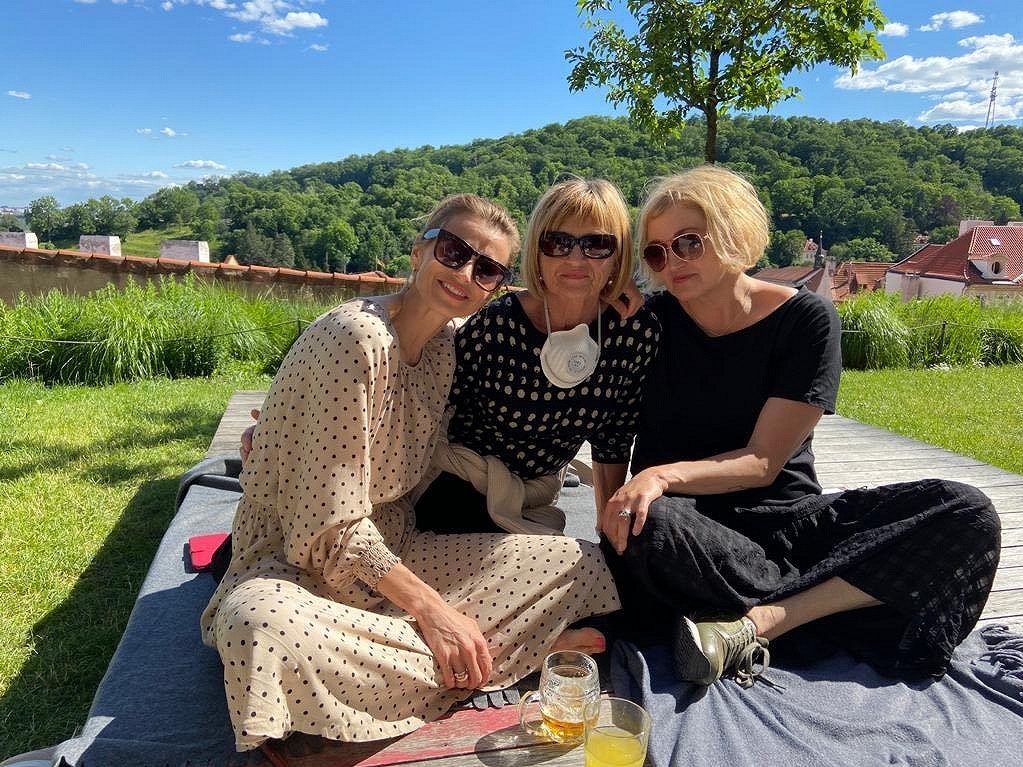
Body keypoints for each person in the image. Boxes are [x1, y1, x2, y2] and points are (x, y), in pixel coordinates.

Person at [201, 193, 620, 754]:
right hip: (299, 568)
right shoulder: (354, 336)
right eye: (454, 251)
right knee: (257, 624)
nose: (465, 273)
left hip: (397, 548)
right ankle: (503, 655)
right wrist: (434, 610)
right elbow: (328, 533)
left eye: (487, 269)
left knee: (578, 563)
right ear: (420, 251)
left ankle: (422, 661)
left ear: (494, 287)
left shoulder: (444, 347)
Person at [599, 165, 1000, 688]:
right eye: (656, 253)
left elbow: (763, 463)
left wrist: (659, 474)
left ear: (735, 233)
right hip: (689, 531)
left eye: (688, 242)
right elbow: (599, 414)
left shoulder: (805, 319)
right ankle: (824, 606)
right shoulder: (646, 324)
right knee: (646, 524)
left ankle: (762, 623)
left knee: (967, 511)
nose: (672, 261)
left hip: (788, 524)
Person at [412, 177, 660, 536]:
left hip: (535, 501)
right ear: (537, 252)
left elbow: (613, 440)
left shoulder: (633, 332)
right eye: (557, 242)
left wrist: (608, 532)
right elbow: (431, 411)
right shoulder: (497, 325)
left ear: (618, 254)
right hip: (456, 486)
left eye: (597, 244)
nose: (575, 258)